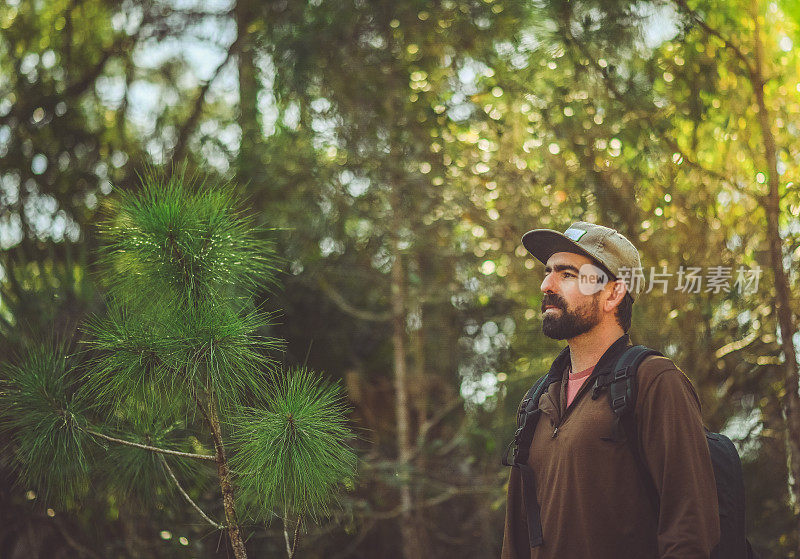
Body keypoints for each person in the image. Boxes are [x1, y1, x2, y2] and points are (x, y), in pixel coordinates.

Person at [501, 221, 720, 559]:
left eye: (568, 274)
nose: (546, 284)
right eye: (548, 272)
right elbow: (515, 541)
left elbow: (690, 531)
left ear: (613, 294)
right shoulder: (536, 403)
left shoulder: (654, 381)